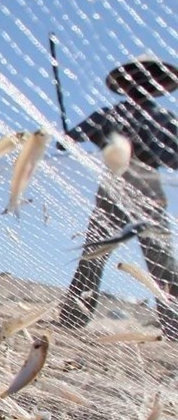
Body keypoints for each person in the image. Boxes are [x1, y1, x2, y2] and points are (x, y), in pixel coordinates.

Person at [57, 55, 178, 339]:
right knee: (150, 259)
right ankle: (75, 318)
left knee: (106, 255)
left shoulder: (116, 116)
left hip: (135, 193)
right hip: (135, 193)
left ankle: (75, 317)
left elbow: (67, 141)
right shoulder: (158, 119)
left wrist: (67, 135)